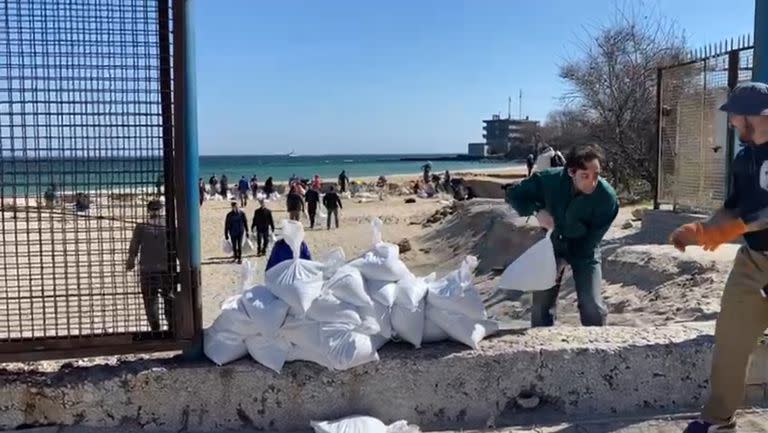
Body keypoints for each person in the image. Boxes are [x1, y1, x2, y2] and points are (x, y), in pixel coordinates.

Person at [670, 82, 768, 433]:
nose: (731, 124)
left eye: (736, 116)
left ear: (758, 116)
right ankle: (719, 420)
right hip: (754, 261)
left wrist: (736, 228)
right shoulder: (744, 158)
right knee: (731, 339)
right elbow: (732, 208)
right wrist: (702, 231)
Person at [505, 143, 618, 328]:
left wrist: (565, 261)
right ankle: (541, 348)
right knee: (541, 304)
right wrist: (537, 210)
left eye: (596, 175)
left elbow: (593, 238)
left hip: (585, 249)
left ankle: (598, 348)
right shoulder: (549, 180)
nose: (592, 182)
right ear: (571, 172)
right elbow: (514, 195)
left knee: (592, 305)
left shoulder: (607, 198)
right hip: (552, 245)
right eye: (585, 176)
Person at [126, 200, 173, 332]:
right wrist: (131, 259)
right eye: (155, 209)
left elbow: (134, 245)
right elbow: (134, 245)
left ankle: (161, 327)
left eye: (156, 209)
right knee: (162, 299)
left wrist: (131, 260)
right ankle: (163, 327)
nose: (156, 211)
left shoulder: (144, 226)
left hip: (157, 269)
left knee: (157, 300)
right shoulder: (165, 226)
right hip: (158, 268)